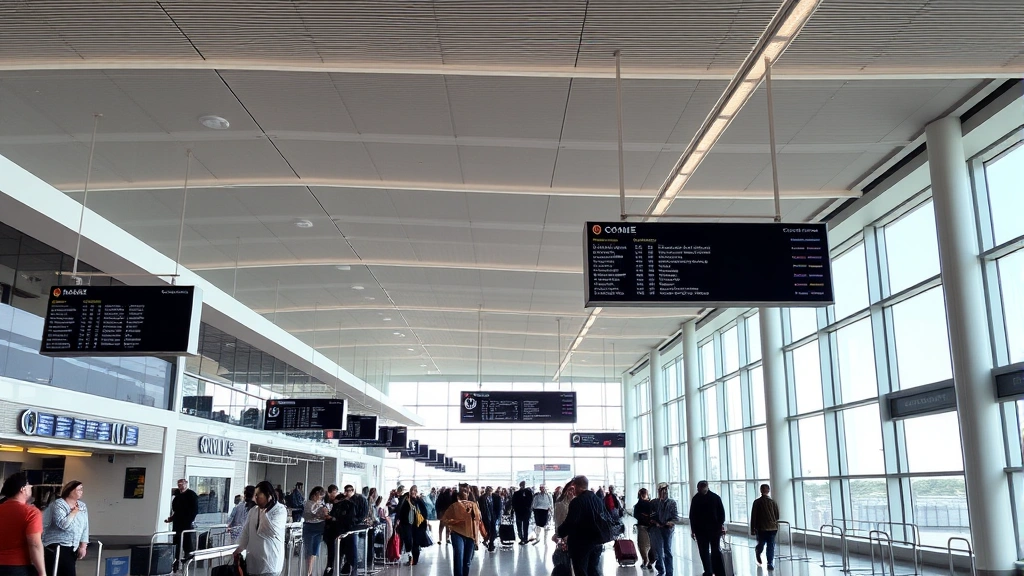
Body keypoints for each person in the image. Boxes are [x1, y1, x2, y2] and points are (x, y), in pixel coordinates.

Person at [555, 476, 606, 576]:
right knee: (593, 571)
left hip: (581, 545)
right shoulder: (598, 500)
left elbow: (570, 523)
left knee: (581, 571)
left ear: (575, 486)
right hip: (597, 543)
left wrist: (559, 532)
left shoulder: (577, 502)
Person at [234, 481, 286, 576]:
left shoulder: (280, 510)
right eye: (255, 495)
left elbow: (270, 531)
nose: (255, 498)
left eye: (258, 495)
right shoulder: (253, 511)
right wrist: (239, 549)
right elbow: (246, 532)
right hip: (253, 564)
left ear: (268, 495)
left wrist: (264, 510)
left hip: (270, 563)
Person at [0, 472, 47, 576]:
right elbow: (34, 544)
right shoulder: (31, 513)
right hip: (17, 567)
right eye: (29, 485)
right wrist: (42, 572)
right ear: (23, 489)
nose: (31, 487)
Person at [42, 481, 89, 576]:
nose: (81, 491)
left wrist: (83, 546)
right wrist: (73, 512)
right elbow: (63, 525)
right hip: (58, 546)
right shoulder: (58, 504)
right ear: (70, 491)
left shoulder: (82, 506)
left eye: (82, 489)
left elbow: (85, 526)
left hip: (73, 546)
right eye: (79, 489)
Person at [439, 489, 486, 576]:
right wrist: (455, 521)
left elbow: (478, 521)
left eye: (467, 493)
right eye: (464, 492)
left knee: (467, 561)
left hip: (471, 535)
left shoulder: (474, 506)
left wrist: (480, 536)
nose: (466, 494)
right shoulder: (454, 506)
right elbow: (445, 520)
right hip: (457, 534)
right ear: (458, 496)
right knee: (458, 557)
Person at [689, 481, 727, 576]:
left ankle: (709, 571)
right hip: (711, 530)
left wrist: (693, 529)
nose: (699, 490)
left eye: (699, 489)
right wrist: (720, 525)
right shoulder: (715, 497)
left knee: (706, 552)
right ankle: (716, 571)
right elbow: (722, 514)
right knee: (713, 551)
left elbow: (692, 516)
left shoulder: (696, 499)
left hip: (703, 530)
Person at [323, 485, 358, 576]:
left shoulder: (346, 505)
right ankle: (341, 571)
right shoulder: (350, 505)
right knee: (344, 555)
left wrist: (333, 518)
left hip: (340, 533)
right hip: (342, 533)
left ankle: (335, 571)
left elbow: (341, 518)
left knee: (338, 555)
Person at [164, 479, 198, 571]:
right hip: (177, 522)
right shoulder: (177, 496)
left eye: (182, 484)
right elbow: (176, 511)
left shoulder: (191, 495)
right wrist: (171, 518)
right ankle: (176, 561)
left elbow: (195, 510)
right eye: (178, 484)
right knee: (176, 541)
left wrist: (189, 521)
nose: (180, 486)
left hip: (186, 522)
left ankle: (188, 558)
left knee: (186, 540)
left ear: (186, 484)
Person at [395, 486, 429, 566]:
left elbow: (424, 512)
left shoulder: (419, 500)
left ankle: (415, 560)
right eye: (412, 491)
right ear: (410, 491)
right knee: (408, 541)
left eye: (415, 491)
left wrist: (424, 521)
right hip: (407, 524)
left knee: (416, 543)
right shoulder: (405, 499)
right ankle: (410, 558)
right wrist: (397, 520)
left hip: (417, 525)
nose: (414, 492)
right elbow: (399, 509)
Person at [650, 483, 679, 576]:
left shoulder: (672, 503)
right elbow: (650, 515)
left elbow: (675, 517)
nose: (663, 492)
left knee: (667, 551)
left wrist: (670, 523)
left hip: (668, 530)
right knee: (658, 550)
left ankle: (669, 572)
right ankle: (660, 570)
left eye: (665, 490)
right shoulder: (654, 502)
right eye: (661, 490)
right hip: (657, 529)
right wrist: (654, 522)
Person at [749, 484, 781, 570]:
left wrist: (753, 529)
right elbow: (777, 516)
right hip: (769, 528)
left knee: (764, 544)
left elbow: (754, 516)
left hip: (763, 528)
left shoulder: (758, 502)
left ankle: (765, 559)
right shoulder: (772, 502)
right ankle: (768, 561)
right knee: (768, 545)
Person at [302, 487, 328, 576]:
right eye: (319, 495)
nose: (320, 498)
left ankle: (310, 571)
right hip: (309, 527)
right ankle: (308, 571)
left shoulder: (321, 504)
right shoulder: (308, 503)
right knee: (309, 550)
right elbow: (313, 514)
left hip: (319, 527)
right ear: (315, 494)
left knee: (314, 551)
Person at [633, 488, 654, 570]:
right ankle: (649, 560)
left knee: (642, 545)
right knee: (649, 544)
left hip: (641, 526)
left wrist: (643, 515)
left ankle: (645, 560)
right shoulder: (649, 504)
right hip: (649, 526)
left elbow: (636, 514)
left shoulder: (639, 504)